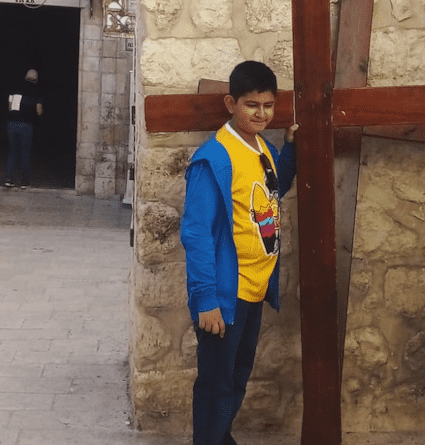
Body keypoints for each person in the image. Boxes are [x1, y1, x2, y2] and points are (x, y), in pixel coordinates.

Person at [180, 61, 298, 445]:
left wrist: (292, 151)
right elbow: (196, 232)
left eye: (268, 105)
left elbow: (274, 185)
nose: (261, 113)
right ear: (231, 103)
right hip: (225, 295)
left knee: (237, 377)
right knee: (216, 382)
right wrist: (206, 299)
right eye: (251, 105)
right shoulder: (214, 157)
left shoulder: (263, 147)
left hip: (254, 289)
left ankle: (220, 437)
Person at [5, 68, 42, 189]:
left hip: (12, 124)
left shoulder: (14, 88)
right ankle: (25, 182)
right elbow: (39, 111)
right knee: (25, 153)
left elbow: (10, 107)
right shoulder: (36, 91)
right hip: (26, 125)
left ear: (26, 77)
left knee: (12, 153)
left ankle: (9, 180)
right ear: (36, 80)